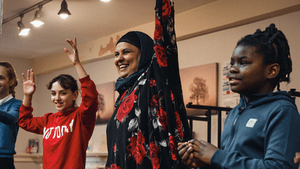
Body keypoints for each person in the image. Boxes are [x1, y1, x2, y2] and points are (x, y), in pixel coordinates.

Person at [178, 23, 300, 169]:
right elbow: (229, 165)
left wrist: (216, 156)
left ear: (271, 71)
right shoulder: (235, 112)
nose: (233, 69)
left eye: (243, 62)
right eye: (232, 63)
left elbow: (278, 167)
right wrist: (205, 164)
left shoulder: (282, 110)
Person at [105, 0, 192, 168]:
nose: (119, 58)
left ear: (145, 53)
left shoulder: (156, 77)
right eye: (116, 54)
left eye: (126, 52)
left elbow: (163, 37)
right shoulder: (124, 94)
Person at [18, 38, 98, 169]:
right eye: (53, 93)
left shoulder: (81, 117)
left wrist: (77, 64)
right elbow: (24, 121)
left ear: (75, 95)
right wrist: (27, 95)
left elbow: (91, 97)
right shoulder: (48, 120)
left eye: (63, 93)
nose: (57, 98)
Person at [0, 62, 21, 169]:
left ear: (11, 81)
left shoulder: (16, 104)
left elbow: (12, 118)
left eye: (1, 78)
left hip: (4, 160)